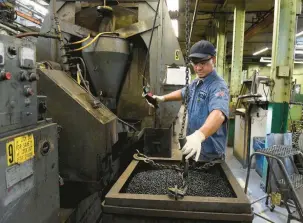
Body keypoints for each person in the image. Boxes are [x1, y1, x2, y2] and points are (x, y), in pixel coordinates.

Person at [146, 40, 229, 162]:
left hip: (210, 152)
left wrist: (199, 135)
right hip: (193, 147)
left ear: (214, 60)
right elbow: (183, 92)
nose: (198, 67)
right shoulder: (196, 82)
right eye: (195, 63)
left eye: (203, 63)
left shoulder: (218, 85)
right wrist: (162, 98)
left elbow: (219, 114)